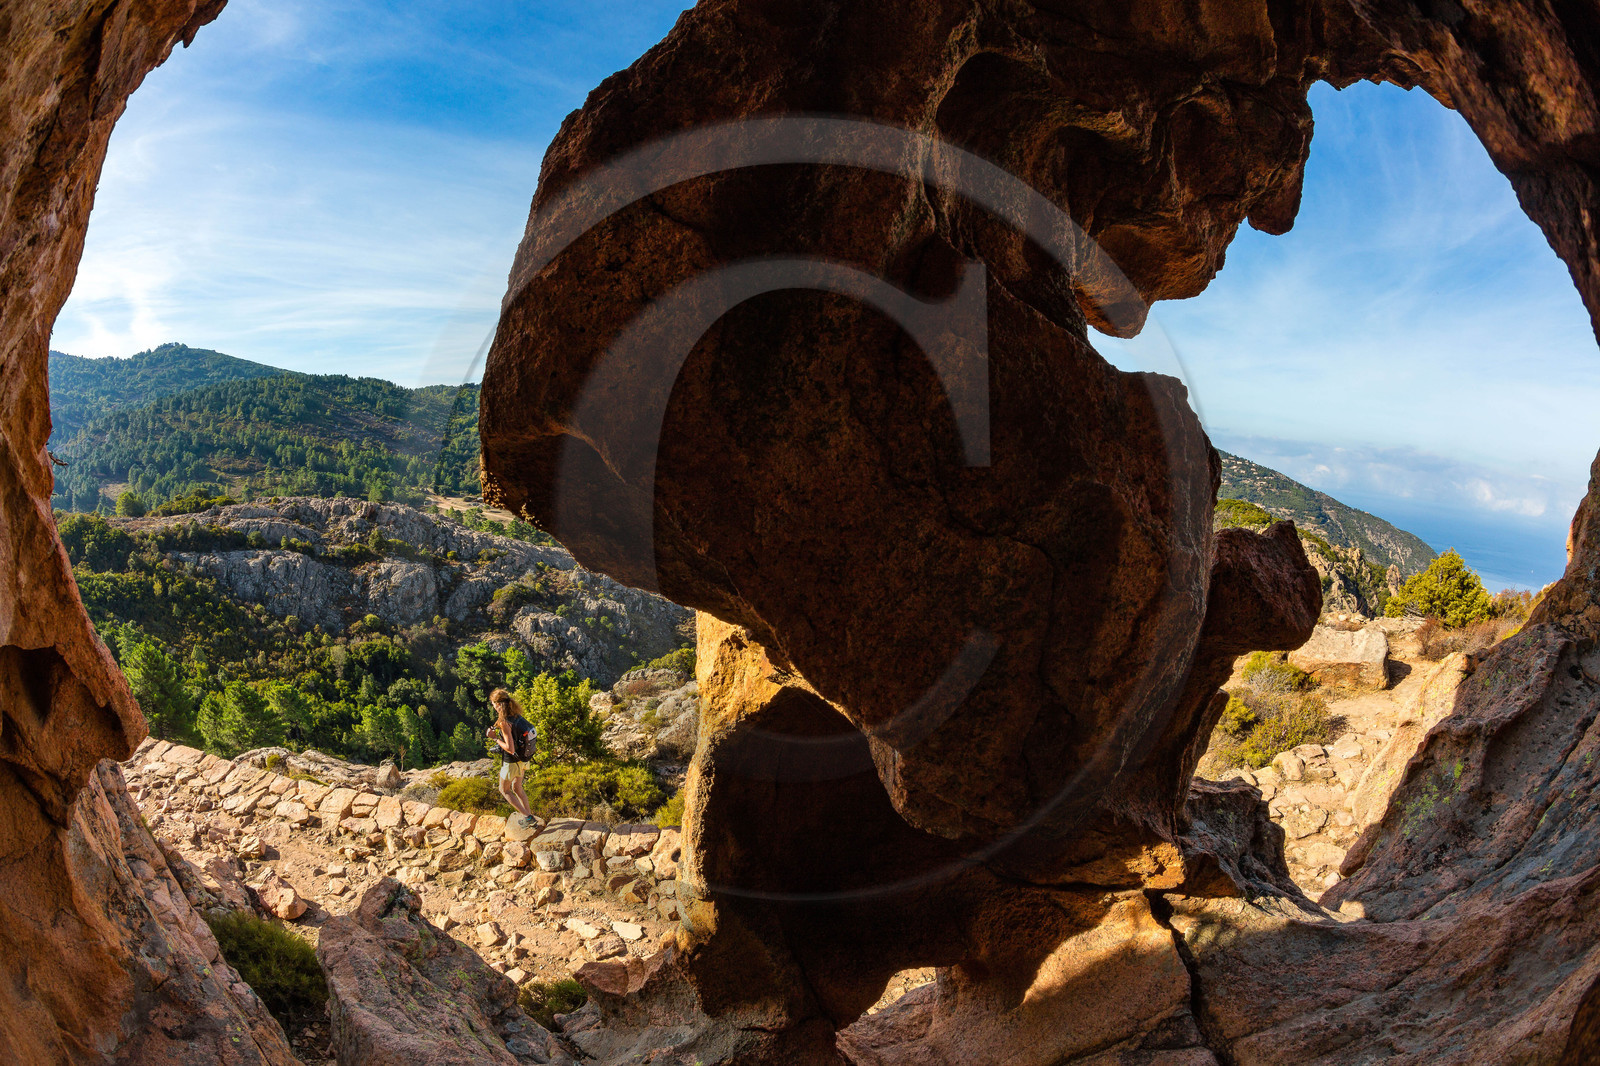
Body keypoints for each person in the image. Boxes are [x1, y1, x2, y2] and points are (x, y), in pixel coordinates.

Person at [485, 688, 538, 827]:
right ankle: (529, 817)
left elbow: (510, 748)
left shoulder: (504, 722)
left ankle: (528, 817)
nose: (493, 707)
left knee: (504, 790)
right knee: (517, 788)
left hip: (512, 762)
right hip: (523, 759)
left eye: (493, 704)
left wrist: (495, 738)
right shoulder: (516, 715)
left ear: (498, 704)